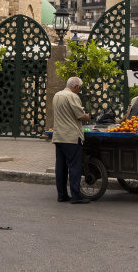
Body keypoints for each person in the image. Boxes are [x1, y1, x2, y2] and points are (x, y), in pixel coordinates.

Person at [52, 76, 91, 204]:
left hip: (59, 136)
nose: (79, 90)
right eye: (79, 88)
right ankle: (75, 196)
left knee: (61, 167)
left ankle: (62, 195)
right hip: (71, 137)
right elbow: (80, 115)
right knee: (74, 167)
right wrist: (87, 116)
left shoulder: (57, 95)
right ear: (75, 87)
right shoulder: (73, 97)